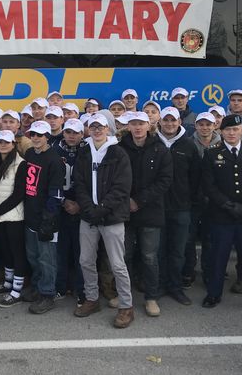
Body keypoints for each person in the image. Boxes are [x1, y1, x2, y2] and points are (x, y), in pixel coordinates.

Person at [201, 114, 242, 314]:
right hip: (222, 215)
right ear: (221, 132)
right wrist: (228, 205)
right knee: (218, 257)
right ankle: (213, 294)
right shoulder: (212, 153)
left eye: (235, 129)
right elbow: (209, 185)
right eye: (227, 130)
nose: (231, 133)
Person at [73, 113, 134, 328]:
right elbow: (78, 183)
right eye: (93, 127)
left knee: (117, 264)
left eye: (101, 127)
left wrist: (102, 209)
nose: (97, 130)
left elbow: (122, 187)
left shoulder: (119, 153)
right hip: (89, 217)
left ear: (108, 129)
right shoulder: (83, 152)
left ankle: (126, 306)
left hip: (112, 217)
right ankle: (92, 299)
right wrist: (89, 209)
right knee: (85, 260)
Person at [119, 111, 173, 317]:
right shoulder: (119, 149)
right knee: (124, 256)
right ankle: (125, 296)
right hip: (124, 212)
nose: (138, 127)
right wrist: (127, 201)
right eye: (134, 123)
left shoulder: (160, 149)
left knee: (150, 257)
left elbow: (165, 181)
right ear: (129, 126)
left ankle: (151, 297)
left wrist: (138, 200)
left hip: (150, 212)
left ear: (149, 126)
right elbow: (114, 179)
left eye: (141, 123)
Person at [156, 107, 200, 306]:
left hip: (182, 208)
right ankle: (160, 285)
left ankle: (175, 287)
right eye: (166, 120)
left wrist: (191, 203)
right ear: (160, 122)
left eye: (173, 120)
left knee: (178, 251)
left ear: (179, 122)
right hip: (156, 207)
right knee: (158, 250)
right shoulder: (152, 142)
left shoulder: (189, 145)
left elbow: (197, 178)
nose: (170, 124)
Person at [22, 121, 65, 315]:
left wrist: (49, 217)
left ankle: (48, 293)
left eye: (40, 135)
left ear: (47, 136)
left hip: (46, 218)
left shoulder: (55, 160)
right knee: (33, 255)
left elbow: (56, 193)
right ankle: (38, 286)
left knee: (47, 258)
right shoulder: (30, 154)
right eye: (33, 135)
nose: (36, 138)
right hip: (30, 214)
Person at [0, 130, 29, 308]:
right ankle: (8, 282)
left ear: (14, 144)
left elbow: (19, 194)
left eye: (7, 142)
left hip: (14, 216)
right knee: (6, 250)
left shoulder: (21, 164)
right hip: (1, 217)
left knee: (17, 252)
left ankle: (17, 289)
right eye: (0, 142)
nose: (3, 145)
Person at [184, 112, 221, 287]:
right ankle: (189, 270)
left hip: (214, 200)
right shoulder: (188, 143)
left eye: (208, 124)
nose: (205, 128)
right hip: (192, 199)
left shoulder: (223, 144)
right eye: (201, 124)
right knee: (189, 238)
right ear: (196, 126)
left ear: (215, 126)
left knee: (210, 238)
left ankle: (208, 270)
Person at [52, 119, 86, 305]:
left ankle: (81, 290)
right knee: (61, 251)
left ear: (82, 134)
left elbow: (92, 183)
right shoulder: (55, 151)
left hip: (82, 209)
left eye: (76, 132)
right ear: (63, 133)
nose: (72, 136)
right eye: (68, 132)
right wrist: (64, 201)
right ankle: (60, 287)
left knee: (81, 253)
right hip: (61, 208)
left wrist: (80, 204)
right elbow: (51, 181)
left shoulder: (88, 151)